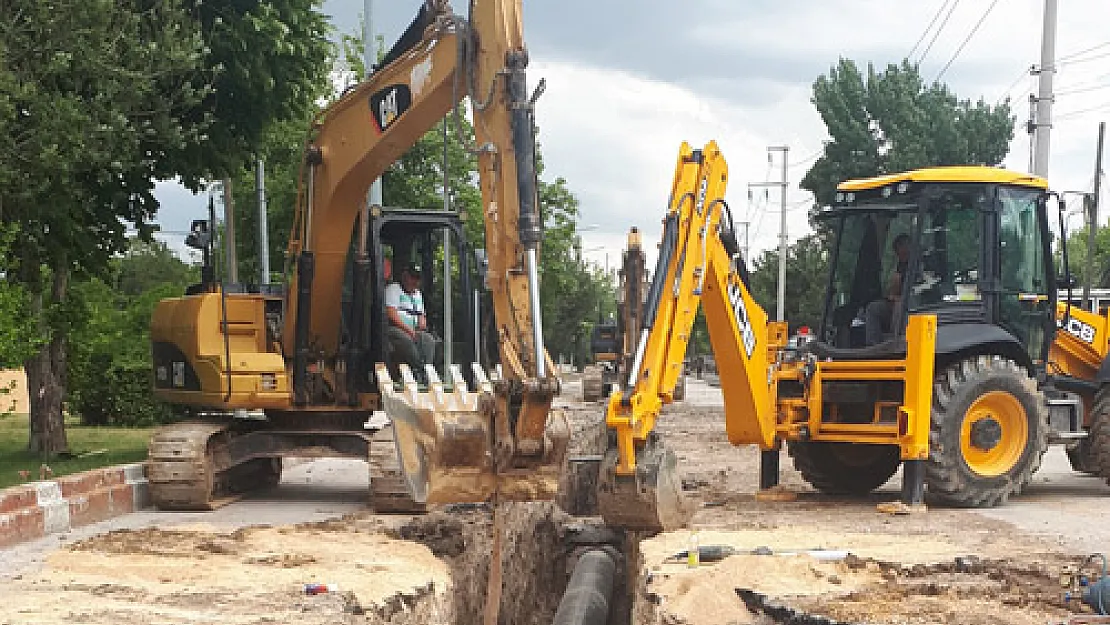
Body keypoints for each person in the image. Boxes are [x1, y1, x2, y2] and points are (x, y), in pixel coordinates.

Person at [385, 264, 436, 381]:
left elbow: (421, 314)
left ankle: (425, 373)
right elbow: (391, 313)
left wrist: (421, 325)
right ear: (405, 276)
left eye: (417, 279)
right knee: (406, 341)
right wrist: (408, 330)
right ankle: (417, 369)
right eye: (412, 278)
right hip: (395, 329)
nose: (415, 281)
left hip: (414, 330)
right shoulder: (393, 289)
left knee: (429, 341)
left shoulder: (417, 294)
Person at [865, 233, 911, 346]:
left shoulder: (923, 262)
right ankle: (873, 346)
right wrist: (892, 293)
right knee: (873, 308)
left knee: (900, 306)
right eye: (898, 253)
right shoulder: (902, 265)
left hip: (915, 305)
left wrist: (900, 298)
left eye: (902, 250)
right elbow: (895, 288)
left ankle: (895, 344)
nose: (900, 255)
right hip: (898, 301)